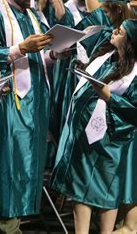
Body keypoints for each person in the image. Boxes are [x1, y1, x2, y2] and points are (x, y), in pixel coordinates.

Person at [0, 0, 62, 233]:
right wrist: (21, 48)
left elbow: (41, 56)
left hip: (33, 105)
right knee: (6, 164)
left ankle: (13, 220)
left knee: (26, 166)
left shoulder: (34, 14)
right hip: (7, 105)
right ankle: (5, 223)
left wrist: (55, 53)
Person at [51, 19, 137, 234]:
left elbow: (133, 111)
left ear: (131, 42)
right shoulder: (105, 58)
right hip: (84, 137)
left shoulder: (134, 74)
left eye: (122, 30)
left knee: (106, 192)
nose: (116, 30)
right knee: (80, 190)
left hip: (111, 142)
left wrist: (110, 98)